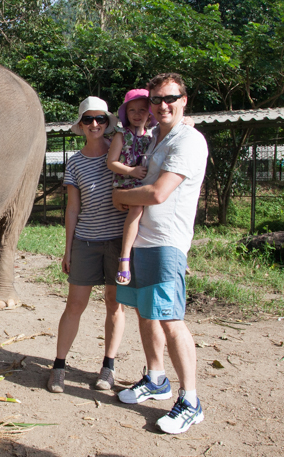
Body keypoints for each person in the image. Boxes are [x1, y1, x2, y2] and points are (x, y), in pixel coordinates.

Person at [113, 73, 208, 434]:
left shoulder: (189, 141)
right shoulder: (154, 141)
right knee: (145, 313)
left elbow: (156, 193)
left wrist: (120, 197)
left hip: (167, 243)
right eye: (156, 99)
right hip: (140, 241)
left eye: (170, 97)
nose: (162, 104)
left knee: (170, 319)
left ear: (184, 99)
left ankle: (191, 399)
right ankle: (156, 378)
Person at [47, 96, 128, 393]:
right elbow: (72, 208)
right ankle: (58, 365)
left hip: (119, 241)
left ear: (108, 123)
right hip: (86, 240)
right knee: (75, 304)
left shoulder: (121, 154)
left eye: (100, 119)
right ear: (80, 125)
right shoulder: (76, 161)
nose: (94, 124)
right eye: (88, 119)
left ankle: (108, 367)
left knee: (114, 303)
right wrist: (68, 249)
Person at [106, 89, 156, 285]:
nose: (137, 114)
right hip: (126, 184)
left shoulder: (153, 136)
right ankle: (124, 259)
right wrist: (131, 171)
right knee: (136, 207)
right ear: (125, 114)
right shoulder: (121, 136)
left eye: (142, 110)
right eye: (132, 110)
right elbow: (111, 163)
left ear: (149, 113)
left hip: (146, 185)